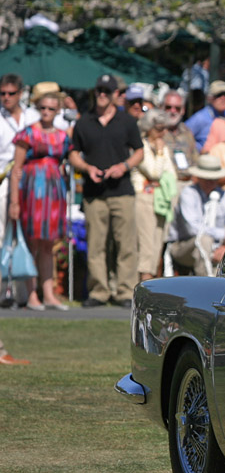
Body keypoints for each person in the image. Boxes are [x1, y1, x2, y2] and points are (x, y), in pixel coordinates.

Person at [69, 74, 144, 308]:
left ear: (114, 95)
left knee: (126, 244)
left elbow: (139, 152)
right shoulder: (83, 122)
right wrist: (86, 167)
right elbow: (72, 154)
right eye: (99, 90)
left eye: (107, 91)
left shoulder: (127, 121)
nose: (102, 94)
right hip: (94, 193)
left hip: (122, 190)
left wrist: (123, 167)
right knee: (96, 244)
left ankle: (124, 292)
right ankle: (99, 291)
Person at [6, 91, 71, 310]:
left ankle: (49, 294)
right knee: (32, 242)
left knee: (48, 245)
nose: (46, 112)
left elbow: (71, 160)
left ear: (57, 111)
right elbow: (16, 169)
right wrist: (14, 201)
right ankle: (31, 294)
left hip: (54, 192)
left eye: (51, 109)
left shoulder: (63, 136)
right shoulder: (28, 133)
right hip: (33, 190)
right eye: (42, 108)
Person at [166, 154, 225, 275]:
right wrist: (222, 235)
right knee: (204, 241)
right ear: (199, 177)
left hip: (218, 246)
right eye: (207, 178)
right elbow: (193, 229)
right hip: (183, 247)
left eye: (214, 179)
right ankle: (206, 286)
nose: (211, 182)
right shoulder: (188, 193)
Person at [130, 109, 176, 282]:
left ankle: (150, 281)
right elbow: (155, 172)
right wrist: (161, 153)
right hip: (143, 198)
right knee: (146, 243)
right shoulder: (141, 147)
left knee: (158, 243)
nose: (163, 132)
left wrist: (162, 155)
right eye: (159, 128)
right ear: (148, 128)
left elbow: (172, 174)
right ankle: (144, 281)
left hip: (160, 200)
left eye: (165, 128)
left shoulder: (162, 147)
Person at [0, 74, 40, 258]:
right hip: (5, 180)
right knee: (2, 232)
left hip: (33, 178)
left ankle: (26, 286)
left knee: (30, 233)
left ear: (20, 93)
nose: (6, 97)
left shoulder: (33, 116)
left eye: (11, 93)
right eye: (2, 93)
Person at [160, 90, 199, 183]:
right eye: (168, 107)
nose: (173, 111)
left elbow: (196, 159)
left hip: (189, 181)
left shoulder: (187, 132)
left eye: (177, 108)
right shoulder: (155, 132)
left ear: (183, 110)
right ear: (161, 108)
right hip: (167, 182)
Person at [183, 79, 225, 152]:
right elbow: (182, 136)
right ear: (210, 98)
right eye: (219, 95)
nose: (223, 98)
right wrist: (199, 148)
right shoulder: (200, 117)